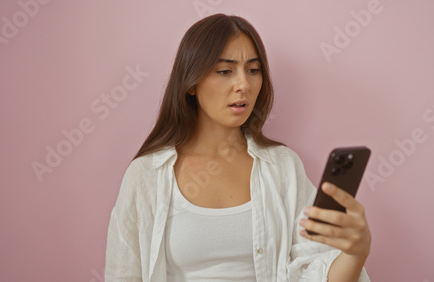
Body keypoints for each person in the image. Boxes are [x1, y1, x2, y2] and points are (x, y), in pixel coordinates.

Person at [105, 13, 371, 282]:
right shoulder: (146, 175)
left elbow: (316, 273)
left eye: (253, 70)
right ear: (191, 83)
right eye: (225, 71)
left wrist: (355, 253)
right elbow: (123, 274)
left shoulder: (283, 167)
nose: (243, 84)